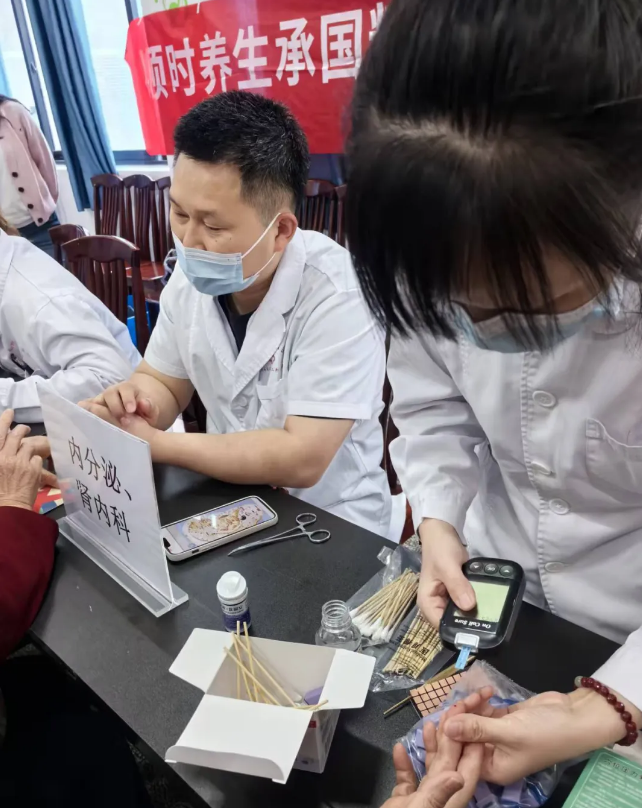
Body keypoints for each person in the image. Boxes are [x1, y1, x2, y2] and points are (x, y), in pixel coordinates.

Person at [346, 0, 642, 785]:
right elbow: (432, 406)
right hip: (510, 606)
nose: (480, 327)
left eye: (525, 303)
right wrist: (440, 518)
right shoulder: (433, 237)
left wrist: (607, 706)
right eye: (454, 304)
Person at [82, 91, 393, 538]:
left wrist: (159, 444)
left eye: (213, 226)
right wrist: (135, 406)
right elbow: (164, 380)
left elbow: (302, 457)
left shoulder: (338, 293)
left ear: (280, 230)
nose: (189, 241)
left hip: (331, 521)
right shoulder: (190, 279)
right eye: (179, 213)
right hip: (229, 504)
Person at [0, 221, 141, 422]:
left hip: (129, 423)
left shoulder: (39, 300)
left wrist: (6, 397)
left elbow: (110, 379)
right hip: (75, 423)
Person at [0, 96, 59, 257]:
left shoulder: (13, 112)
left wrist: (44, 204)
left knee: (56, 272)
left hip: (38, 226)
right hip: (4, 236)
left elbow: (44, 161)